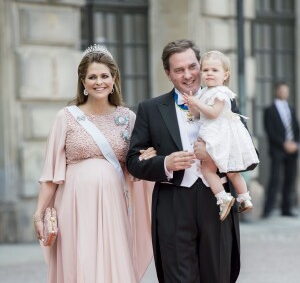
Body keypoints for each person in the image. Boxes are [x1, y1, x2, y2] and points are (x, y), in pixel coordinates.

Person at [33, 44, 155, 282]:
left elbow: (135, 168)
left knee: (113, 264)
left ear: (114, 79)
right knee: (79, 263)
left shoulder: (128, 118)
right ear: (83, 82)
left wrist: (148, 159)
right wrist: (38, 214)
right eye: (92, 77)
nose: (99, 82)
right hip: (73, 205)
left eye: (104, 76)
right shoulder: (66, 117)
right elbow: (50, 175)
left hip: (114, 206)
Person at [127, 39, 241, 283]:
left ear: (201, 66)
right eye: (179, 70)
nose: (188, 75)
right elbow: (133, 161)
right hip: (172, 204)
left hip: (217, 201)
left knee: (218, 275)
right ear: (168, 74)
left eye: (192, 67)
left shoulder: (224, 102)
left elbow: (249, 156)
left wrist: (215, 156)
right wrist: (165, 163)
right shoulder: (150, 108)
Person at [183, 50, 259, 221]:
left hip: (218, 135)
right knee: (230, 170)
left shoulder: (221, 93)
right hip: (216, 132)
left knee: (208, 169)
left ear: (225, 75)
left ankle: (223, 197)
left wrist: (197, 103)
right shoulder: (204, 92)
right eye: (205, 70)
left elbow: (212, 113)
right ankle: (244, 198)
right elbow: (197, 115)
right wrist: (191, 105)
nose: (209, 73)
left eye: (214, 70)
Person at [263, 82, 299, 218]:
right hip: (278, 149)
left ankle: (287, 208)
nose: (284, 93)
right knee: (275, 179)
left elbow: (296, 128)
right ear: (276, 91)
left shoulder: (291, 108)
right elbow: (270, 131)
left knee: (290, 179)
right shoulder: (269, 110)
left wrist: (296, 144)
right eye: (282, 90)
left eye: (286, 91)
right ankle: (268, 209)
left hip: (293, 150)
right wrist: (284, 144)